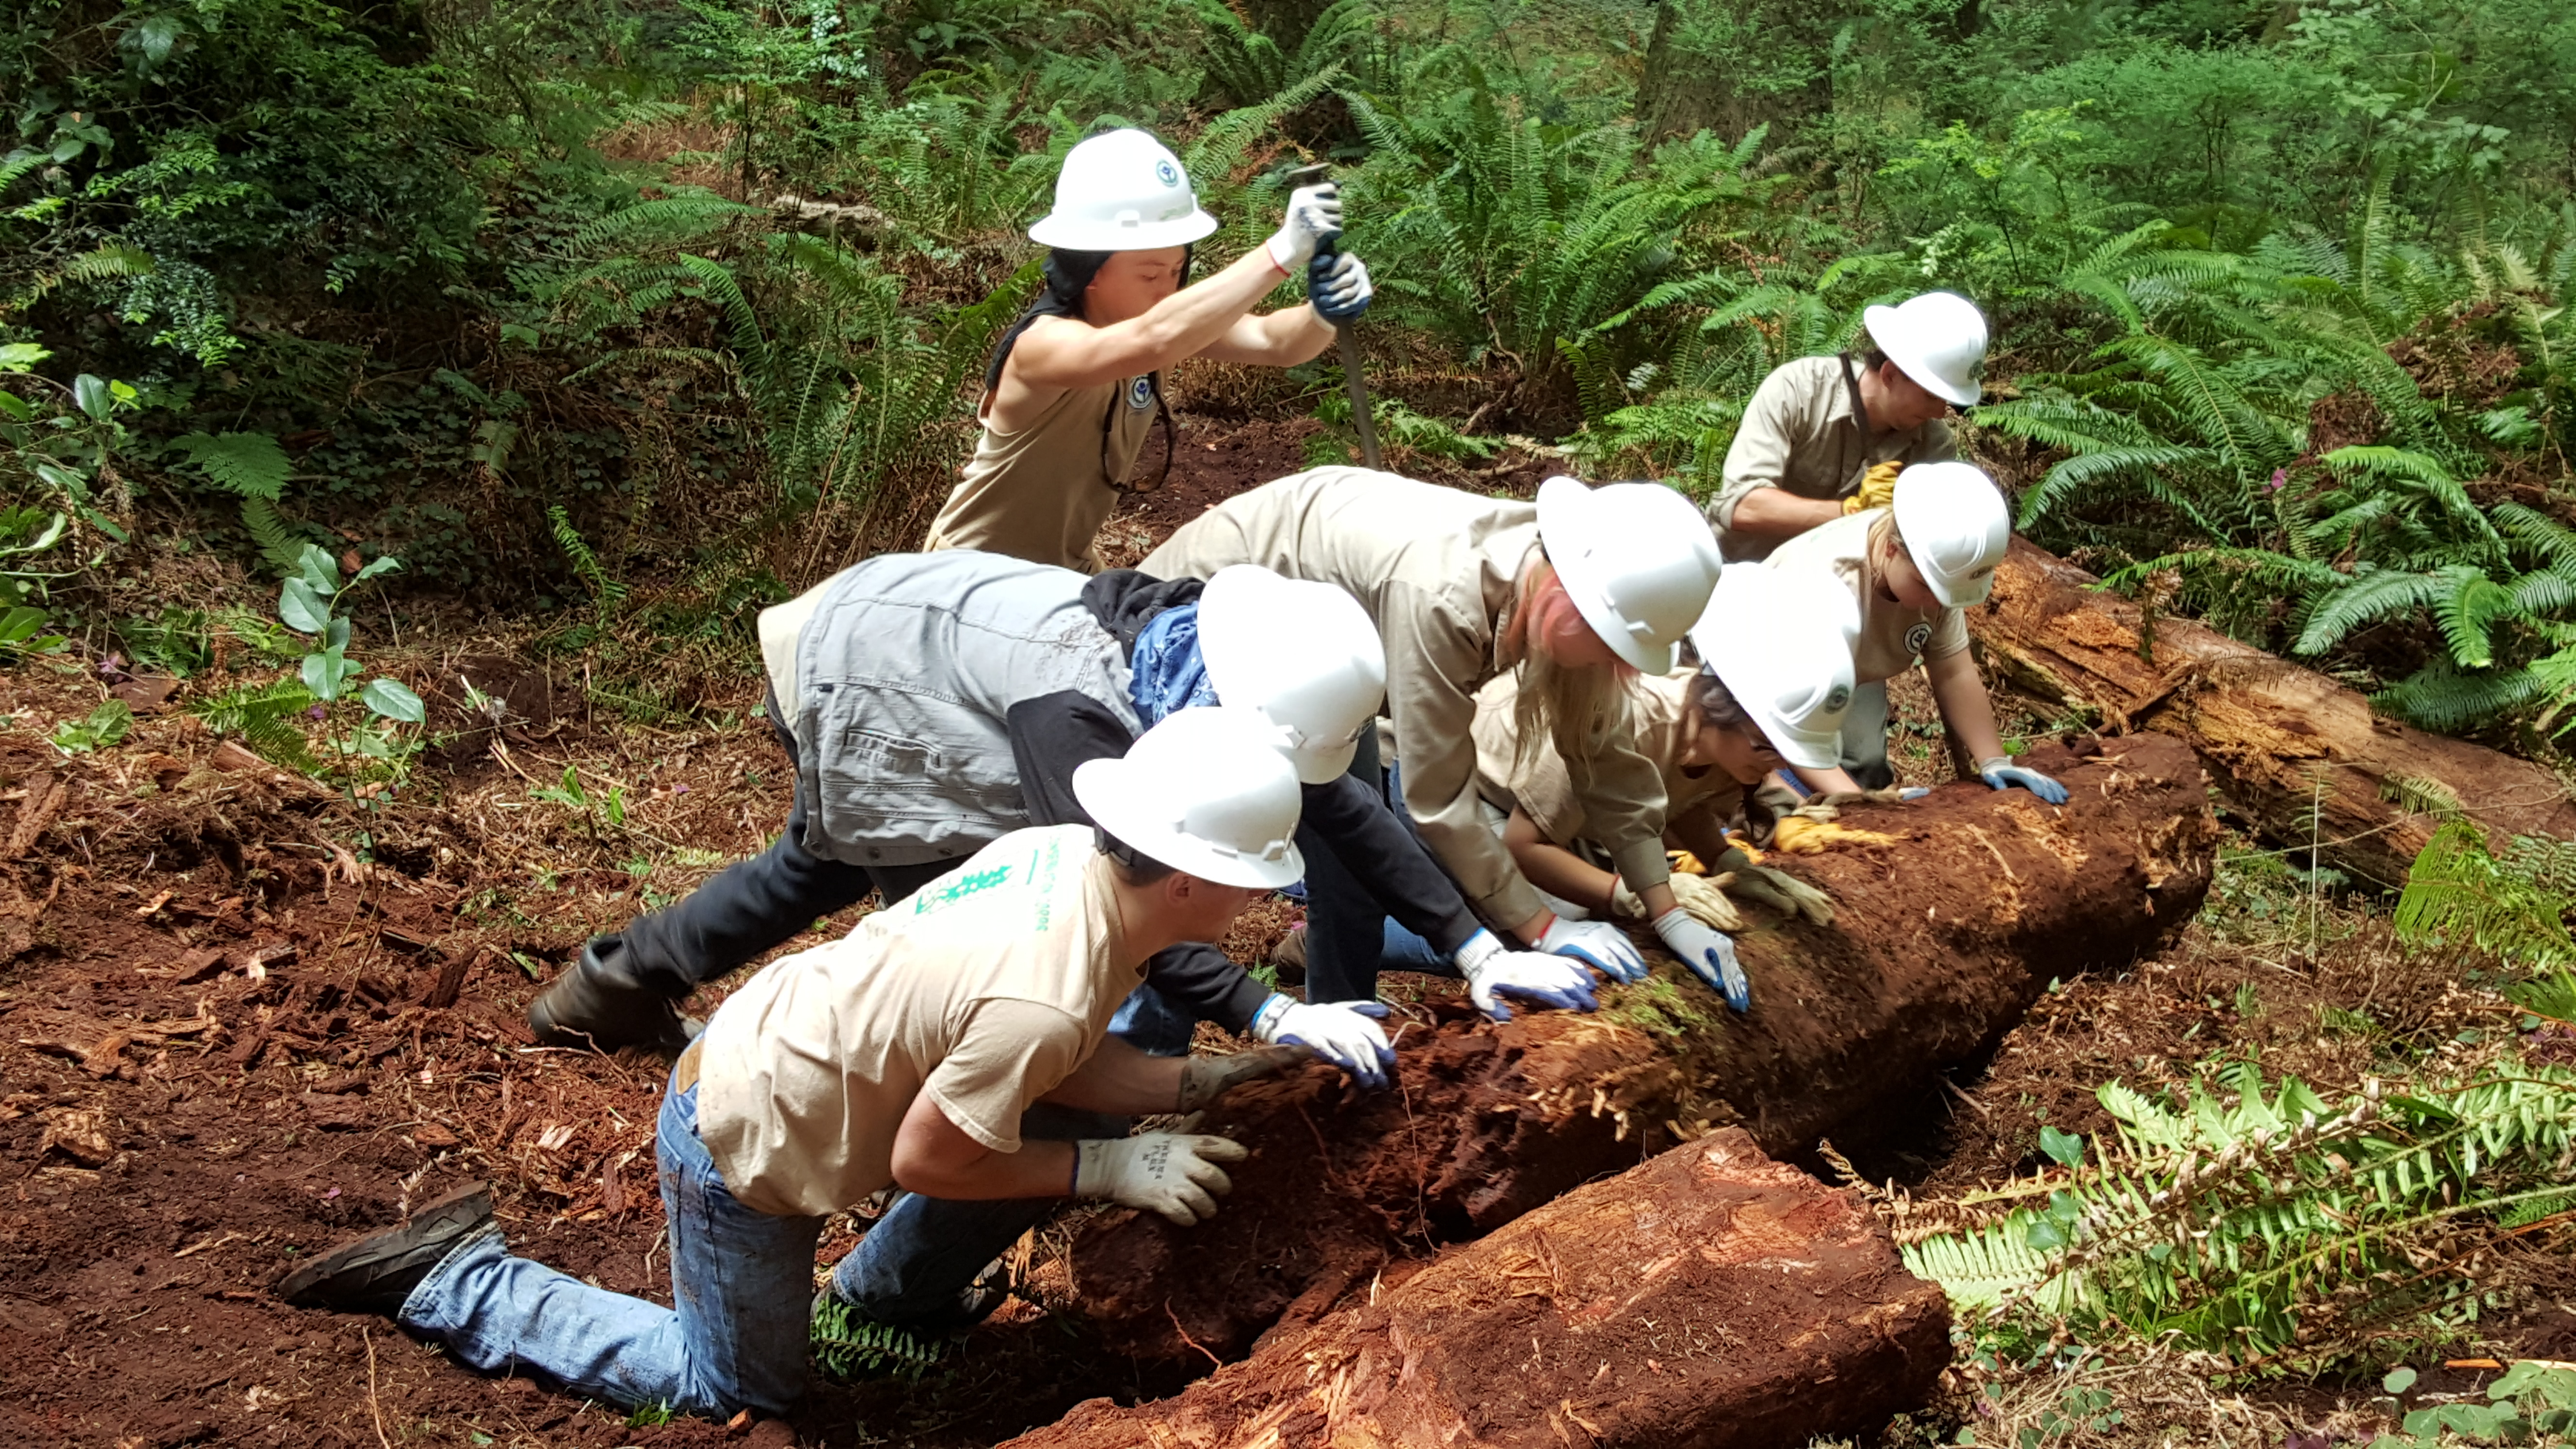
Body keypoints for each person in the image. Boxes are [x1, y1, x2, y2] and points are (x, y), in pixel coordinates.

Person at [276, 708, 1319, 1421]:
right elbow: (931, 1161)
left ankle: (876, 1303)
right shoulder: (1043, 992)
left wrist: (1190, 1086)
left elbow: (1054, 1063)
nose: (1263, 904)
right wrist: (1103, 1172)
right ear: (1185, 878)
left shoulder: (1061, 858)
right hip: (741, 1144)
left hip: (794, 1063)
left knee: (1066, 1125)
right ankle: (464, 1283)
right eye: (1250, 879)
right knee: (730, 1391)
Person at [1139, 468, 1749, 1010]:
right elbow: (1438, 800)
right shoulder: (1443, 600)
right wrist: (1537, 929)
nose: (1618, 667)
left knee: (1352, 859)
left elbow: (1602, 747)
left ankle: (1343, 1022)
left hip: (1328, 656)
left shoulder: (1555, 583)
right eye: (1613, 645)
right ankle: (1146, 1046)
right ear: (1571, 607)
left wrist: (1662, 907)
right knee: (1187, 862)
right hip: (1211, 621)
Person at [1374, 566, 1864, 1004]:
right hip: (1465, 790)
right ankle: (1374, 931)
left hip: (1557, 820)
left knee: (1594, 907)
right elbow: (1525, 846)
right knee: (1541, 926)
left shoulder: (1728, 749)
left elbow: (1678, 802)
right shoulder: (1628, 725)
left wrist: (1728, 862)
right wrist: (1626, 895)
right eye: (1766, 747)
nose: (1775, 764)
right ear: (1722, 711)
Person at [921, 129, 1373, 571]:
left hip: (1064, 568)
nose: (1168, 288)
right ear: (1089, 270)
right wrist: (1281, 252)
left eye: (1178, 269)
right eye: (1150, 274)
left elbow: (1277, 343)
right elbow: (1154, 339)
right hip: (971, 569)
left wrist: (1322, 313)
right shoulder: (1042, 346)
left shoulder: (1165, 324)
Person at [1706, 290, 1988, 787]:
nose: (1941, 411)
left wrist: (1993, 758)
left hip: (1857, 614)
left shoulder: (1931, 446)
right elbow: (1739, 506)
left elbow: (1938, 551)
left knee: (1859, 765)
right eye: (1931, 395)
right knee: (1735, 745)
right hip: (1735, 601)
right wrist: (1849, 512)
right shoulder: (1798, 392)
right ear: (1891, 371)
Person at [1764, 461, 2067, 805]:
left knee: (1865, 764)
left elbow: (1954, 671)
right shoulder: (1827, 586)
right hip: (1758, 691)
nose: (1937, 605)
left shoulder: (1935, 568)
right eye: (1929, 588)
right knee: (1782, 794)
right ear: (1893, 549)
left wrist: (1993, 758)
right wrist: (1863, 802)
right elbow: (1782, 718)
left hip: (1847, 674)